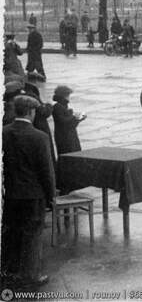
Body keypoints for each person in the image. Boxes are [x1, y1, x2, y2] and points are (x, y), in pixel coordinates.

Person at [1, 95, 55, 288]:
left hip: (10, 195)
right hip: (33, 195)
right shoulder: (40, 137)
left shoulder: (4, 133)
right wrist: (51, 197)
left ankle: (9, 271)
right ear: (31, 112)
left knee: (11, 232)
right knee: (32, 235)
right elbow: (47, 172)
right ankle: (31, 275)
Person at [52, 85, 86, 157]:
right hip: (66, 138)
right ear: (65, 95)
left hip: (64, 136)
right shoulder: (58, 107)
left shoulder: (60, 106)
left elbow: (67, 122)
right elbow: (65, 123)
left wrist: (77, 118)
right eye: (68, 95)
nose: (69, 97)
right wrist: (76, 118)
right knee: (71, 156)